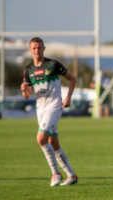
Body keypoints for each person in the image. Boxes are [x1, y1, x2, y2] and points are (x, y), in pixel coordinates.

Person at [21, 37, 78, 186]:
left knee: (41, 139)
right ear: (30, 50)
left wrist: (68, 97)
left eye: (39, 47)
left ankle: (55, 173)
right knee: (54, 143)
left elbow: (72, 79)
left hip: (54, 107)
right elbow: (27, 95)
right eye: (34, 48)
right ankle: (71, 175)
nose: (36, 50)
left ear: (43, 48)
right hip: (40, 110)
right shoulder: (28, 70)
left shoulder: (53, 65)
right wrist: (24, 90)